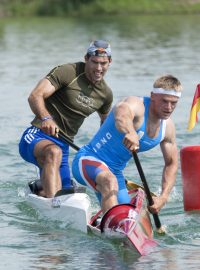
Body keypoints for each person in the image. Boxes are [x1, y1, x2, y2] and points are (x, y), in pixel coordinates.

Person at [72, 74, 182, 214]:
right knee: (109, 181)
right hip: (88, 160)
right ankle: (112, 229)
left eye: (174, 103)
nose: (169, 107)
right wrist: (130, 131)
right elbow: (121, 113)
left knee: (128, 212)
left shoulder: (168, 128)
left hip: (115, 172)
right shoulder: (137, 104)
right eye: (165, 101)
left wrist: (163, 197)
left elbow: (171, 163)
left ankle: (105, 218)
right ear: (153, 96)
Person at [19, 40, 113, 198]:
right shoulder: (68, 72)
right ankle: (52, 201)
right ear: (86, 58)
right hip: (37, 135)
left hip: (64, 146)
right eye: (94, 62)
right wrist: (46, 118)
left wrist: (103, 153)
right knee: (53, 153)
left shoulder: (105, 94)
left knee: (68, 192)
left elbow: (106, 128)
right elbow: (35, 95)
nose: (98, 68)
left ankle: (41, 189)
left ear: (109, 62)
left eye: (103, 63)